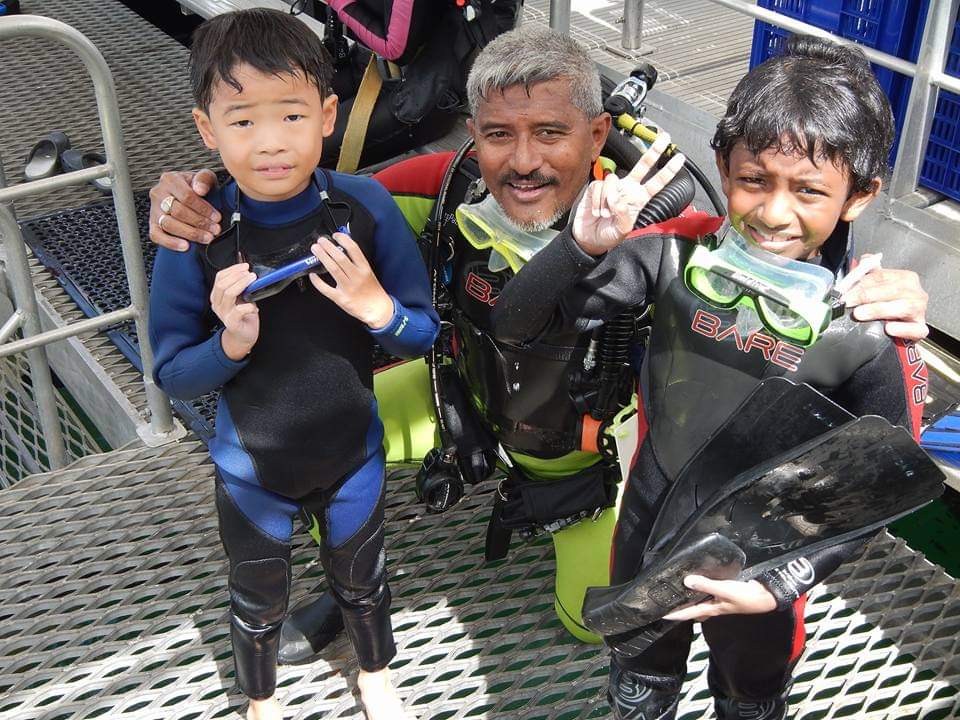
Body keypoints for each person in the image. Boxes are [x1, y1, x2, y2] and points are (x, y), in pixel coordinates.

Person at [147, 26, 930, 660]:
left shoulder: (667, 225)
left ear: (596, 132)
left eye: (551, 133)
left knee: (593, 624)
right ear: (473, 135)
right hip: (456, 397)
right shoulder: (443, 184)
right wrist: (189, 189)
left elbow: (778, 245)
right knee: (315, 431)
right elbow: (296, 189)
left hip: (586, 460)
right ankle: (341, 578)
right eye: (499, 135)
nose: (523, 161)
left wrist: (885, 293)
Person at [489, 35, 929, 720]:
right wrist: (578, 246)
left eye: (809, 190)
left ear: (860, 195)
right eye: (755, 180)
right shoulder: (668, 263)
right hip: (647, 527)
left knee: (750, 693)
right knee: (640, 683)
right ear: (724, 167)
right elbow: (516, 325)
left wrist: (779, 583)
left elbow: (881, 488)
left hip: (763, 567)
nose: (775, 213)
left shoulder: (868, 331)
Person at [148, 10, 438, 720]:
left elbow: (420, 335)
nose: (271, 142)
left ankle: (375, 678)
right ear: (207, 130)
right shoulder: (201, 231)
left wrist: (376, 309)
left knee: (365, 584)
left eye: (291, 115)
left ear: (328, 114)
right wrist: (229, 346)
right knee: (256, 598)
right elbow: (172, 374)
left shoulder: (362, 207)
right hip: (254, 468)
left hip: (352, 454)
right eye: (242, 122)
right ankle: (261, 699)